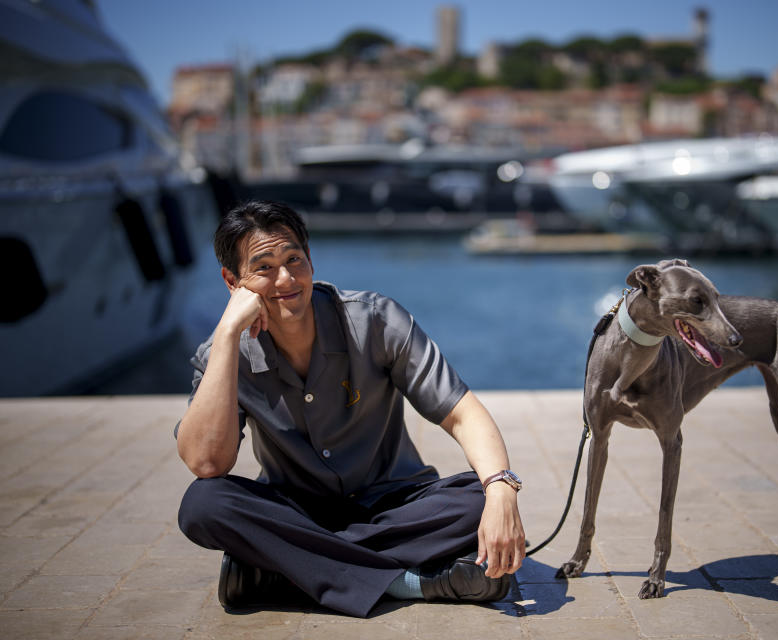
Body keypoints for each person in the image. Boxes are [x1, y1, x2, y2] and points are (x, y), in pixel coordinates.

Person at [175, 200, 525, 617]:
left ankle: (283, 568)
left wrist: (501, 491)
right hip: (297, 511)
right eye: (264, 267)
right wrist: (229, 333)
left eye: (294, 260)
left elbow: (462, 412)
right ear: (233, 282)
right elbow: (206, 462)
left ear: (310, 259)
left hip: (394, 505)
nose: (286, 278)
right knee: (204, 505)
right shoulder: (222, 354)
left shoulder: (375, 320)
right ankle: (408, 582)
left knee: (475, 500)